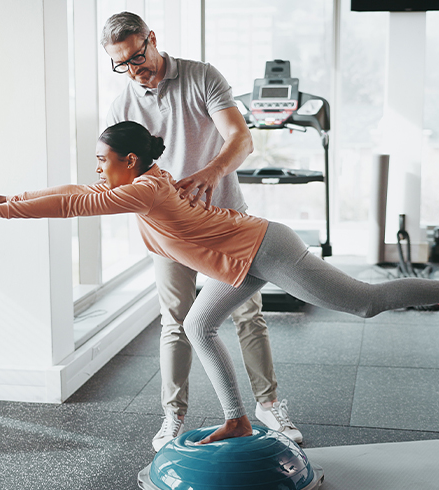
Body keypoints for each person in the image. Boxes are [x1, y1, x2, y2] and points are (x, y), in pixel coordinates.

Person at [0, 121, 439, 445]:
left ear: (131, 161)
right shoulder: (142, 183)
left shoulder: (144, 189)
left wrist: (3, 211)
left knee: (363, 304)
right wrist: (11, 200)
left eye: (102, 159)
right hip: (238, 263)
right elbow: (78, 189)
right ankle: (238, 417)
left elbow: (75, 202)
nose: (96, 167)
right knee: (198, 323)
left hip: (267, 249)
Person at [99, 11, 300, 450]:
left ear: (151, 39)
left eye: (138, 55)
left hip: (225, 219)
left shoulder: (201, 77)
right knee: (175, 322)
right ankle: (174, 415)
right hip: (171, 233)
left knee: (249, 315)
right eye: (124, 64)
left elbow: (240, 138)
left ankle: (268, 404)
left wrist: (210, 173)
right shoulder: (123, 106)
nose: (136, 69)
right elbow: (114, 174)